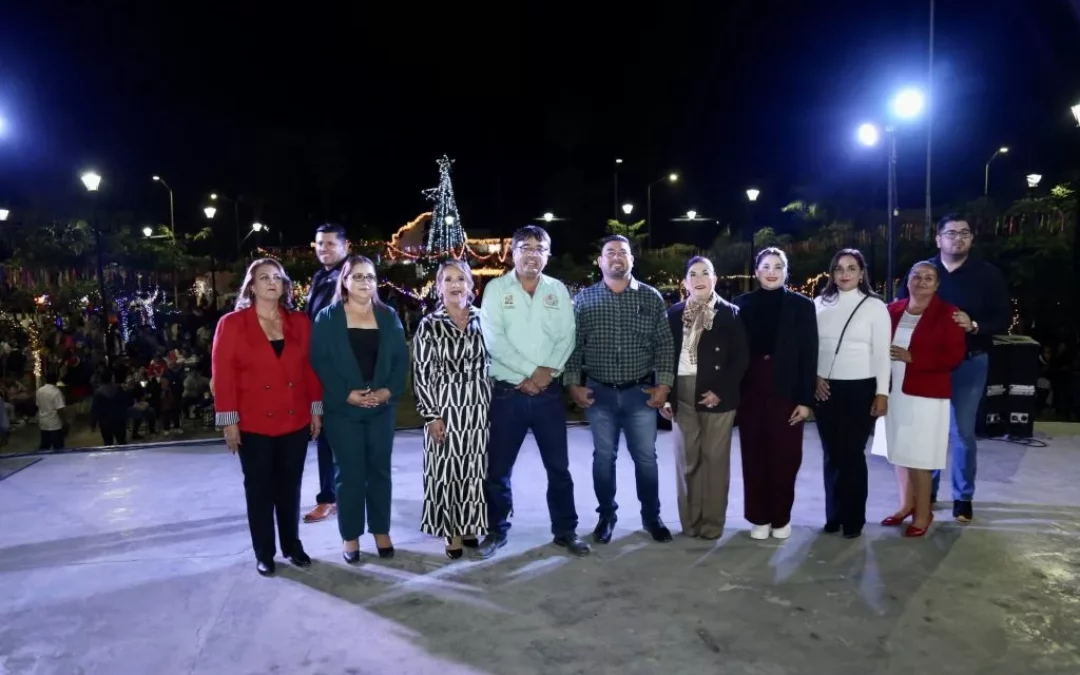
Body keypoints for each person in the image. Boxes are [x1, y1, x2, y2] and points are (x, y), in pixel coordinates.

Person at [476, 226, 590, 559]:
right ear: (512, 252)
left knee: (559, 468)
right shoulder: (496, 289)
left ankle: (565, 530)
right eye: (525, 247)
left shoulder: (557, 290)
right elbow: (494, 338)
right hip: (508, 393)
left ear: (547, 254)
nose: (532, 253)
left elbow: (567, 337)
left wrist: (544, 375)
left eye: (539, 248)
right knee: (497, 470)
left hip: (547, 396)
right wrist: (530, 374)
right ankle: (496, 530)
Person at [212, 258, 323, 576]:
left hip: (294, 419)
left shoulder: (300, 322)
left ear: (284, 285)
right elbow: (223, 376)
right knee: (259, 490)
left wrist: (315, 410)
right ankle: (264, 552)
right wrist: (228, 421)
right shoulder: (232, 323)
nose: (272, 282)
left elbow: (310, 370)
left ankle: (292, 545)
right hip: (253, 422)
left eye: (277, 277)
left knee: (290, 487)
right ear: (252, 286)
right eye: (264, 277)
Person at [896, 214, 1009, 523]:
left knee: (962, 432)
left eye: (964, 233)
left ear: (971, 239)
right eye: (951, 233)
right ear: (938, 239)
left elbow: (1002, 320)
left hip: (969, 364)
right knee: (927, 431)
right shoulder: (922, 272)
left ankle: (963, 497)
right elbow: (900, 308)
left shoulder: (988, 275)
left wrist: (973, 325)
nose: (957, 238)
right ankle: (926, 493)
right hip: (923, 366)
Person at [565, 234, 676, 544]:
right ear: (600, 261)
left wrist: (663, 386)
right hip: (599, 394)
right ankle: (606, 516)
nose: (616, 257)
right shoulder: (585, 300)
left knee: (646, 459)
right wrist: (573, 384)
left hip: (640, 394)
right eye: (610, 252)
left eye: (623, 252)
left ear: (632, 259)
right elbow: (574, 347)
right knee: (603, 459)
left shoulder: (651, 297)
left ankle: (652, 517)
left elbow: (665, 345)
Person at [310, 255, 408, 563]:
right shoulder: (327, 317)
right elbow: (319, 361)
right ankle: (350, 536)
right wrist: (346, 394)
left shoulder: (388, 315)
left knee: (379, 470)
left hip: (381, 407)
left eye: (370, 277)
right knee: (349, 474)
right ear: (345, 281)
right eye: (359, 277)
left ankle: (381, 530)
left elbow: (400, 361)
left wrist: (386, 391)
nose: (366, 282)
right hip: (344, 409)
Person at [661, 256, 749, 539]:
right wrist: (664, 395)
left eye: (705, 273)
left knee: (715, 461)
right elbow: (662, 358)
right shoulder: (673, 313)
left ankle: (712, 524)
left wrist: (721, 391)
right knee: (687, 462)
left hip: (717, 395)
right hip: (681, 394)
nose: (699, 278)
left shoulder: (731, 312)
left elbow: (741, 358)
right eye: (693, 274)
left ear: (715, 278)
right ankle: (690, 523)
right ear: (685, 282)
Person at [733, 247, 817, 540]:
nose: (772, 271)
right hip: (751, 391)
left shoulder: (802, 306)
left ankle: (781, 517)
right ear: (756, 272)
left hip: (787, 392)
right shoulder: (740, 305)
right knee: (754, 456)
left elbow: (810, 355)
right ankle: (759, 517)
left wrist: (806, 401)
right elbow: (734, 354)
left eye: (778, 266)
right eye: (766, 266)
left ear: (786, 271)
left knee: (786, 457)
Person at [412, 260, 491, 559]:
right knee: (447, 472)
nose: (455, 284)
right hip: (444, 409)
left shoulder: (485, 319)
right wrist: (431, 415)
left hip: (480, 409)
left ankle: (471, 525)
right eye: (448, 279)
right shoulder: (429, 324)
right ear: (439, 285)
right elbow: (421, 374)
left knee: (475, 471)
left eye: (461, 278)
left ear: (471, 284)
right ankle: (452, 531)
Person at [882, 262, 967, 537]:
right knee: (898, 451)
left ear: (937, 284)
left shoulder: (948, 314)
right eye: (916, 276)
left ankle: (923, 513)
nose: (921, 281)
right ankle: (905, 505)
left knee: (919, 456)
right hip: (895, 393)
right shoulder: (892, 310)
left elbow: (954, 356)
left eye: (928, 277)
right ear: (907, 281)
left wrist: (913, 357)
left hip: (926, 396)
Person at [813, 249, 891, 539]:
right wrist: (814, 377)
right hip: (825, 388)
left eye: (851, 268)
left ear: (862, 273)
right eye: (838, 268)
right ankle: (833, 515)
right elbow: (812, 348)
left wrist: (882, 393)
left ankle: (853, 519)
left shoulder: (874, 306)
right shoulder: (819, 303)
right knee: (831, 454)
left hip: (860, 388)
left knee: (851, 455)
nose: (844, 273)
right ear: (831, 273)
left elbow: (882, 354)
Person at [303, 223, 350, 524]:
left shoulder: (351, 276)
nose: (324, 249)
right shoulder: (321, 276)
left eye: (331, 244)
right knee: (326, 435)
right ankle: (330, 495)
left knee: (344, 435)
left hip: (344, 370)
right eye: (320, 243)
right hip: (321, 368)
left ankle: (335, 496)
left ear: (346, 246)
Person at [36, 370, 67, 450]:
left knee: (44, 447)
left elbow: (38, 405)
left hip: (43, 423)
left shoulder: (39, 391)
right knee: (59, 448)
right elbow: (60, 409)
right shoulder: (56, 392)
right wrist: (65, 422)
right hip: (54, 425)